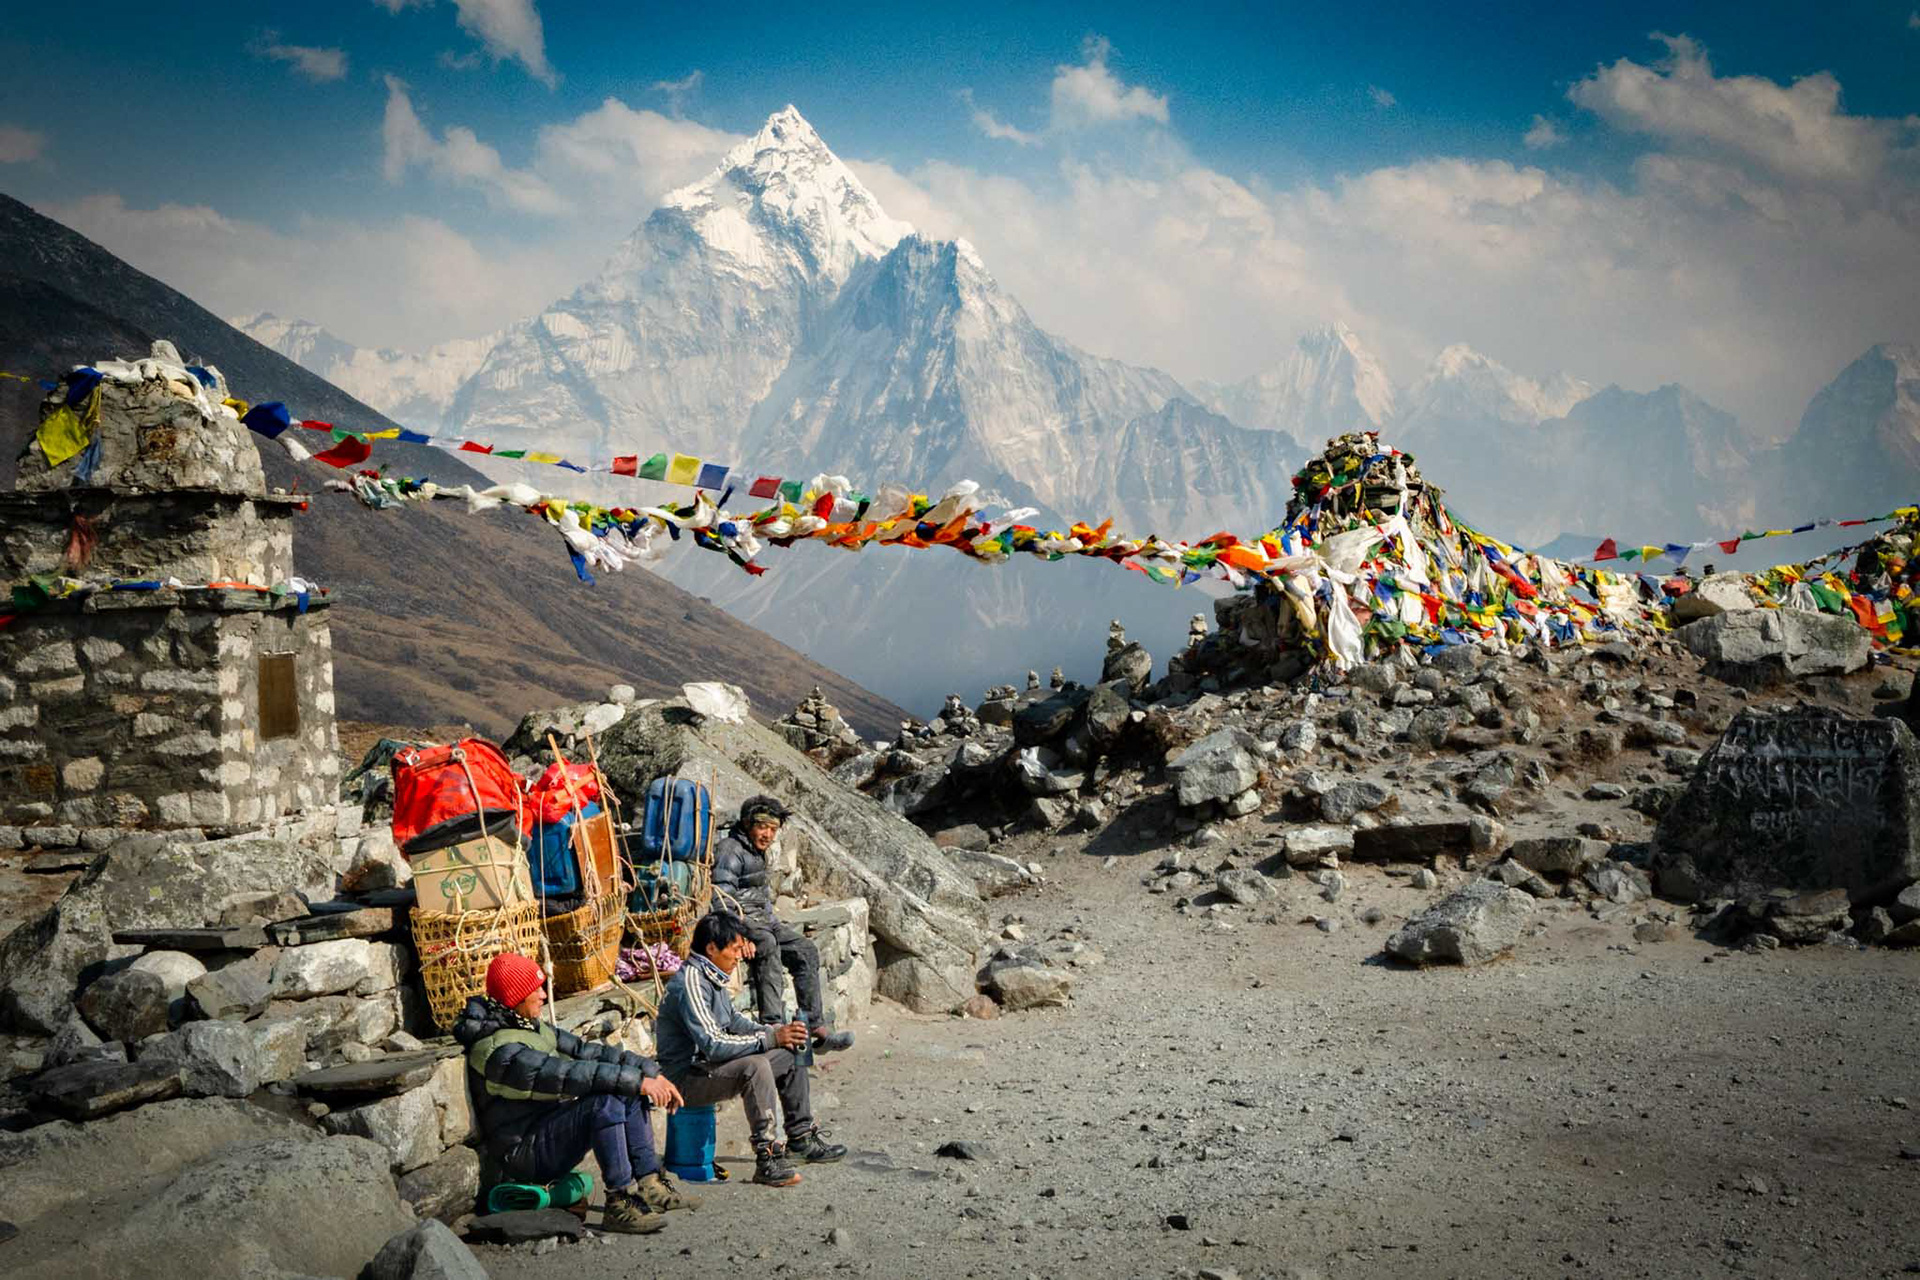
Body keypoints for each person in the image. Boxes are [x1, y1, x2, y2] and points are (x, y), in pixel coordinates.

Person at [453, 953, 697, 1234]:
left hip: (546, 1130)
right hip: (524, 1153)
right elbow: (564, 1075)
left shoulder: (528, 1026)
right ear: (515, 996)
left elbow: (587, 1052)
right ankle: (618, 1202)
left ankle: (651, 1186)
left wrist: (650, 1073)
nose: (544, 995)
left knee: (627, 1090)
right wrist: (638, 1082)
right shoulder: (499, 1052)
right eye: (537, 990)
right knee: (605, 1101)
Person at [655, 912, 848, 1187]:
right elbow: (713, 1044)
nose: (738, 956)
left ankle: (800, 1139)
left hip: (709, 1068)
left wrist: (776, 1034)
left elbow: (733, 1021)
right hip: (686, 1079)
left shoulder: (712, 975)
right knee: (755, 1066)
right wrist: (769, 1040)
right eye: (733, 949)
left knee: (791, 1050)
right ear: (711, 948)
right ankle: (767, 1158)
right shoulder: (691, 983)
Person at [711, 795, 853, 1052]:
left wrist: (771, 917)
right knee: (767, 944)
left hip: (764, 920)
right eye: (762, 827)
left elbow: (760, 894)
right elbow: (722, 899)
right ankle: (773, 1026)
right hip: (744, 921)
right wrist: (737, 936)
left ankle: (815, 1026)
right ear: (747, 824)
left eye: (773, 829)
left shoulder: (756, 851)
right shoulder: (730, 850)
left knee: (806, 950)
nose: (767, 834)